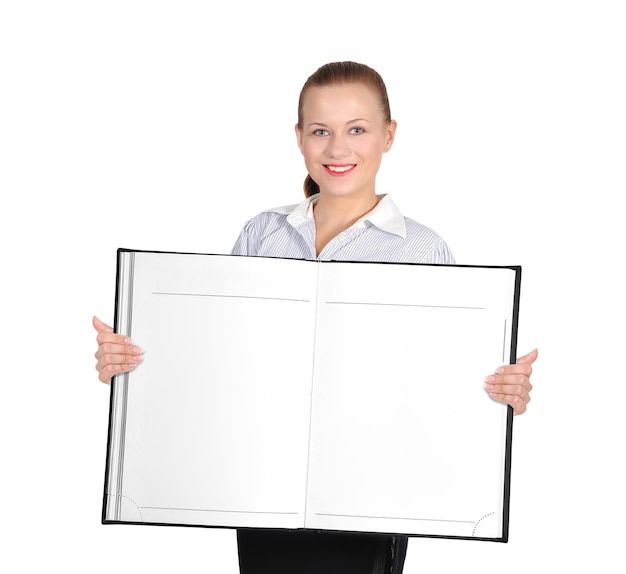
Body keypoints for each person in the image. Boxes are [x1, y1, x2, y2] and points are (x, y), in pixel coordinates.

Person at [93, 61, 537, 574]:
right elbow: (220, 357)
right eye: (321, 131)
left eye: (358, 130)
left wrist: (501, 394)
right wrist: (132, 366)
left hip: (371, 492)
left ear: (389, 136)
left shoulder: (422, 249)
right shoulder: (263, 234)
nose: (338, 149)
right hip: (259, 486)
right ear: (299, 138)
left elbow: (443, 390)